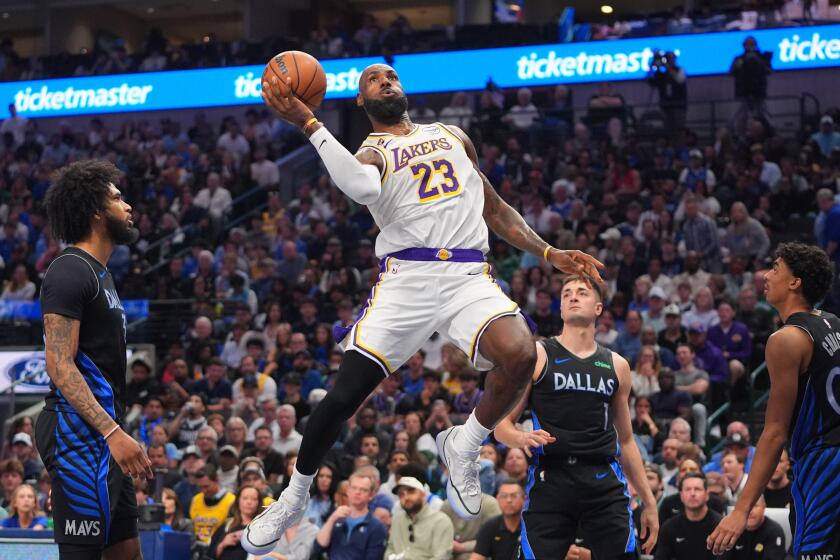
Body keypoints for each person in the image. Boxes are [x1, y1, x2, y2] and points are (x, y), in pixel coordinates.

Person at [244, 63, 604, 554]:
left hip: (466, 275)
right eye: (373, 80)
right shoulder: (372, 151)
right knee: (342, 397)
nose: (385, 81)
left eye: (390, 76)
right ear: (360, 100)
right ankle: (293, 497)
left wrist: (547, 251)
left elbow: (495, 208)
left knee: (522, 352)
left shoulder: (452, 135)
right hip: (406, 281)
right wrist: (309, 122)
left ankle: (465, 442)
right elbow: (362, 189)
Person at [35, 160, 152, 560]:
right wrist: (111, 432)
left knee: (127, 553)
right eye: (117, 198)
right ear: (96, 212)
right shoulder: (70, 270)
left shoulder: (102, 275)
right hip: (80, 435)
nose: (128, 205)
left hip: (98, 436)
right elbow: (59, 364)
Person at [494, 276, 659, 558]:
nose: (573, 296)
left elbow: (627, 440)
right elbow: (501, 425)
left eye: (582, 292)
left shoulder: (617, 365)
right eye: (567, 293)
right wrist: (520, 437)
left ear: (598, 308)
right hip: (551, 476)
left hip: (602, 477)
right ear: (560, 309)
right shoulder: (537, 355)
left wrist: (649, 502)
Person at [708, 243, 838, 557]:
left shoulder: (787, 339)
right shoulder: (834, 323)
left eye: (775, 268)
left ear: (795, 282)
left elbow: (775, 432)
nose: (766, 275)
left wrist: (741, 510)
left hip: (824, 465)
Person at [313, 470, 388, 560]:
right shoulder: (337, 518)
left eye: (363, 490)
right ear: (348, 491)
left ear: (371, 495)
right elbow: (319, 547)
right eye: (354, 488)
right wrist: (332, 520)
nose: (357, 492)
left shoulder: (377, 527)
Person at [656, 473, 728, 560]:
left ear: (707, 494)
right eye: (688, 489)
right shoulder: (669, 527)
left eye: (697, 489)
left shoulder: (721, 526)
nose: (692, 493)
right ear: (681, 496)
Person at [386, 475, 454, 560]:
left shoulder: (440, 521)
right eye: (401, 494)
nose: (406, 497)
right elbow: (390, 550)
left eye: (411, 491)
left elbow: (442, 557)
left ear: (423, 494)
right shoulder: (397, 520)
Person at [470, 480, 525, 560]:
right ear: (497, 499)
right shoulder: (490, 526)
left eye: (513, 496)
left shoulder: (532, 527)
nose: (509, 500)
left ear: (524, 499)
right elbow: (477, 557)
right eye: (504, 496)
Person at [208, 485, 261, 560]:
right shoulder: (227, 525)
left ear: (259, 503)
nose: (249, 502)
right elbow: (210, 555)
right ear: (238, 501)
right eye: (245, 498)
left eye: (254, 499)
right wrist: (223, 544)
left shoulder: (262, 527)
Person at [190, 465, 236, 547]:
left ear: (216, 480)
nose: (203, 491)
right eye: (200, 487)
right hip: (196, 547)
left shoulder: (231, 501)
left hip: (218, 546)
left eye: (206, 486)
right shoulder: (195, 500)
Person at [731, 496, 785, 560]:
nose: (750, 511)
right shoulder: (731, 530)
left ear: (764, 507)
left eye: (755, 506)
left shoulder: (774, 531)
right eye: (744, 507)